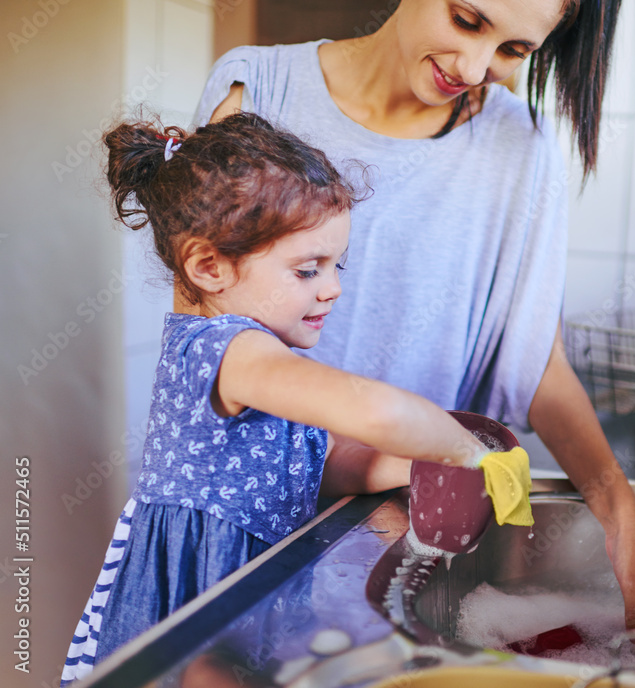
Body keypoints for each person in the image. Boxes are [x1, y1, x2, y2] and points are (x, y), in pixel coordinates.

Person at [189, 0, 635, 662]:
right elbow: (206, 348)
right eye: (467, 20)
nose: (477, 67)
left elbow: (534, 358)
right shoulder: (258, 95)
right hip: (252, 538)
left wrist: (620, 513)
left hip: (403, 540)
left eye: (514, 51)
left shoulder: (521, 147)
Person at [61, 112, 517, 684]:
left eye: (335, 265)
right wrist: (464, 451)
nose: (333, 287)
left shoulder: (258, 354)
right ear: (209, 267)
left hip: (254, 591)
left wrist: (408, 465)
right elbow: (377, 411)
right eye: (307, 270)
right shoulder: (228, 350)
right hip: (203, 598)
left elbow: (303, 465)